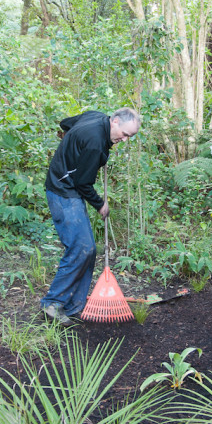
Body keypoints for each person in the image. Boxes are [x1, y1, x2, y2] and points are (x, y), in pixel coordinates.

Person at [41, 107, 141, 325]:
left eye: (130, 137)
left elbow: (66, 122)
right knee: (81, 248)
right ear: (115, 121)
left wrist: (74, 144)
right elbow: (83, 183)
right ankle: (53, 302)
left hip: (68, 188)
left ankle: (72, 306)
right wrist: (100, 204)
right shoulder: (95, 143)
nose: (124, 140)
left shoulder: (96, 117)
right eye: (124, 134)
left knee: (88, 250)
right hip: (63, 191)